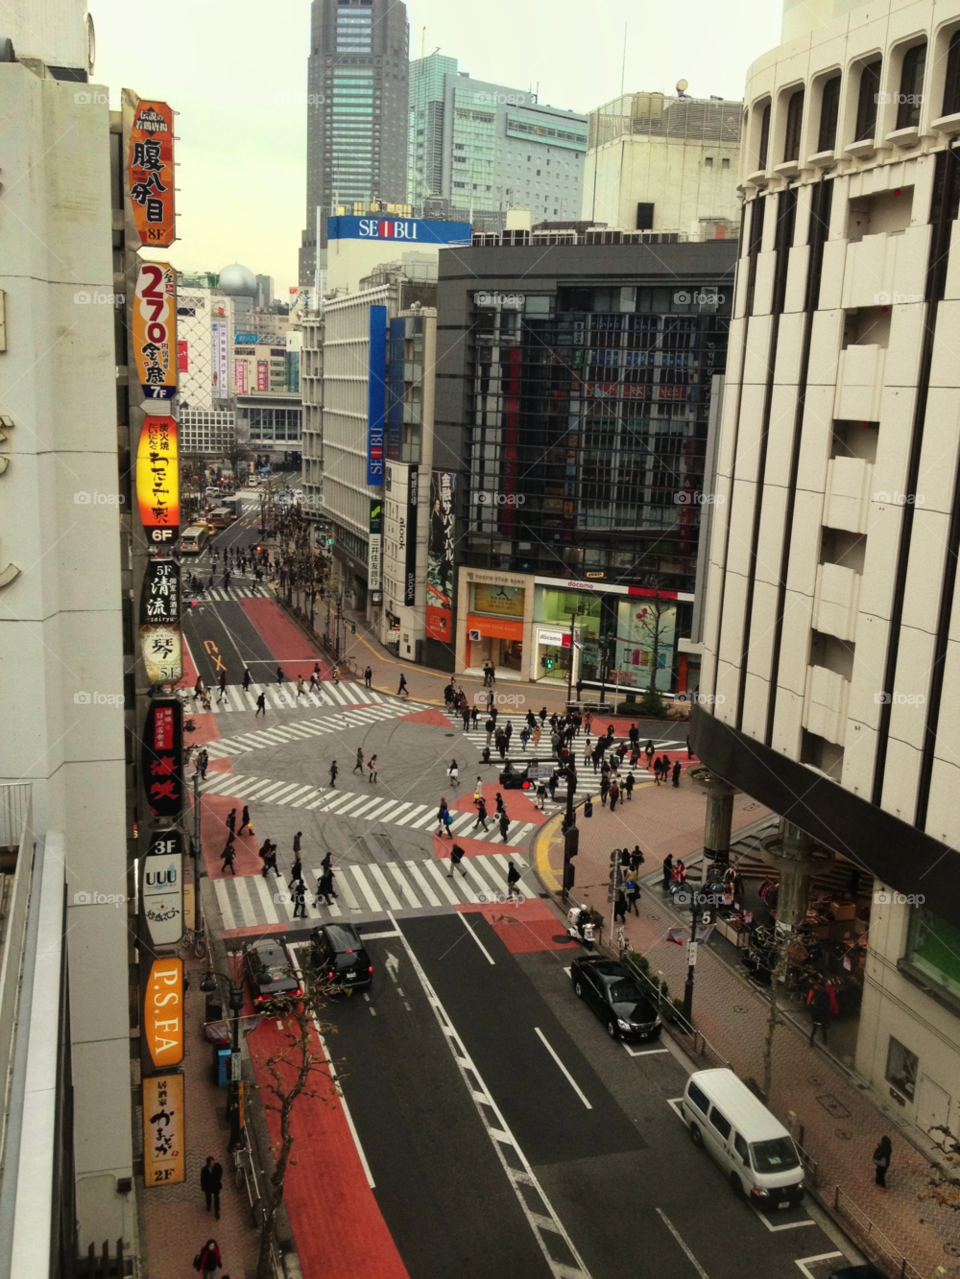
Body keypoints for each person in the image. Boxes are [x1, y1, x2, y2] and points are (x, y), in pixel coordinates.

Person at [808, 981, 832, 1046]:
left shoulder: (816, 993)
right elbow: (826, 1007)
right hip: (822, 1017)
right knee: (823, 1030)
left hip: (815, 1016)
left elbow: (811, 1004)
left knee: (814, 1030)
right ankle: (825, 1041)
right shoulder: (826, 995)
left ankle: (811, 1042)